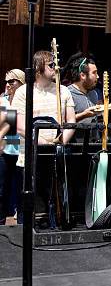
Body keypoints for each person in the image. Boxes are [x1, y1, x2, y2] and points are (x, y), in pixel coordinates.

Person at [12, 50, 76, 222]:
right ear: (39, 68)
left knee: (55, 197)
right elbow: (19, 126)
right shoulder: (24, 92)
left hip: (56, 154)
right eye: (51, 65)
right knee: (29, 202)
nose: (57, 68)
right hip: (29, 155)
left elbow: (71, 122)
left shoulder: (64, 91)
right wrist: (43, 143)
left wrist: (61, 141)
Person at [0, 69, 25, 224]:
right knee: (2, 187)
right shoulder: (2, 100)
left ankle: (17, 215)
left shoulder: (24, 101)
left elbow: (14, 125)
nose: (8, 85)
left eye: (12, 81)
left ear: (21, 83)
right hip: (4, 148)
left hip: (20, 149)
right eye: (6, 82)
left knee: (19, 187)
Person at [67, 56, 100, 141]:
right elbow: (62, 121)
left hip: (93, 146)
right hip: (75, 149)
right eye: (94, 73)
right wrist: (84, 115)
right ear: (82, 75)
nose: (98, 76)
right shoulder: (67, 94)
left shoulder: (94, 94)